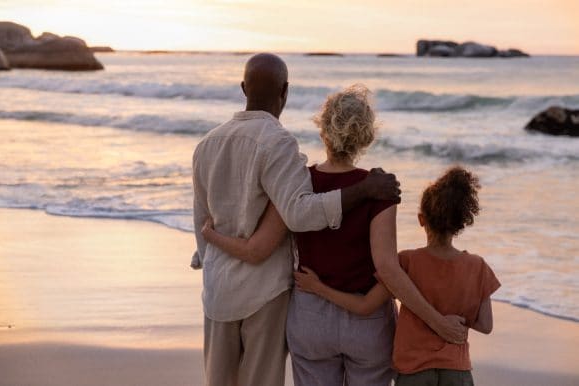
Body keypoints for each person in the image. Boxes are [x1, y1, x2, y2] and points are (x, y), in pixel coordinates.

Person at [200, 83, 469, 385]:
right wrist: (437, 322)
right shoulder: (379, 190)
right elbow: (387, 268)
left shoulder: (299, 183)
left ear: (323, 130)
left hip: (310, 318)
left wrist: (210, 237)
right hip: (366, 322)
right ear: (366, 135)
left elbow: (258, 247)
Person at [192, 54, 401, 386]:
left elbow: (201, 220)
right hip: (265, 292)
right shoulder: (278, 142)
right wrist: (362, 190)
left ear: (243, 88)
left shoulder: (207, 144)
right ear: (285, 91)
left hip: (226, 292)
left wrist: (210, 262)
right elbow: (300, 213)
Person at [295, 166, 501, 386]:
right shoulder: (478, 267)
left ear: (422, 219)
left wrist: (318, 288)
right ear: (461, 224)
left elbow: (365, 306)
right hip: (457, 371)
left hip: (414, 371)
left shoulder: (406, 263)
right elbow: (485, 325)